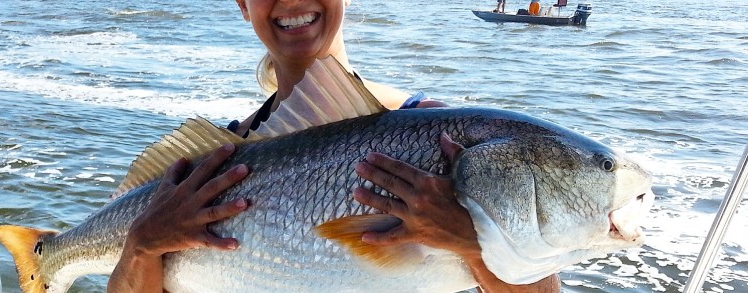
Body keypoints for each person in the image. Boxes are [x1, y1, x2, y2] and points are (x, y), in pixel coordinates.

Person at [107, 0, 561, 292]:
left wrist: (472, 239)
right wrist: (141, 245)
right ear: (244, 5)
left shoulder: (438, 136)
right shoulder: (212, 164)